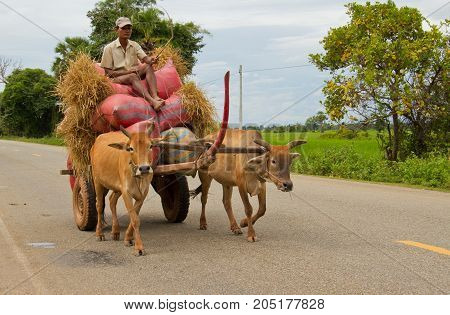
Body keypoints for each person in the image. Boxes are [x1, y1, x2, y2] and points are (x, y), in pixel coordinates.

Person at [100, 17, 165, 110]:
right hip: (117, 78)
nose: (127, 31)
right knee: (132, 76)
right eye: (123, 28)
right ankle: (152, 101)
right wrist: (128, 72)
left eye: (129, 28)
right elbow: (108, 73)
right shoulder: (109, 48)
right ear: (116, 30)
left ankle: (155, 96)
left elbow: (145, 59)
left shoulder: (134, 45)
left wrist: (152, 60)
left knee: (148, 66)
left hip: (134, 72)